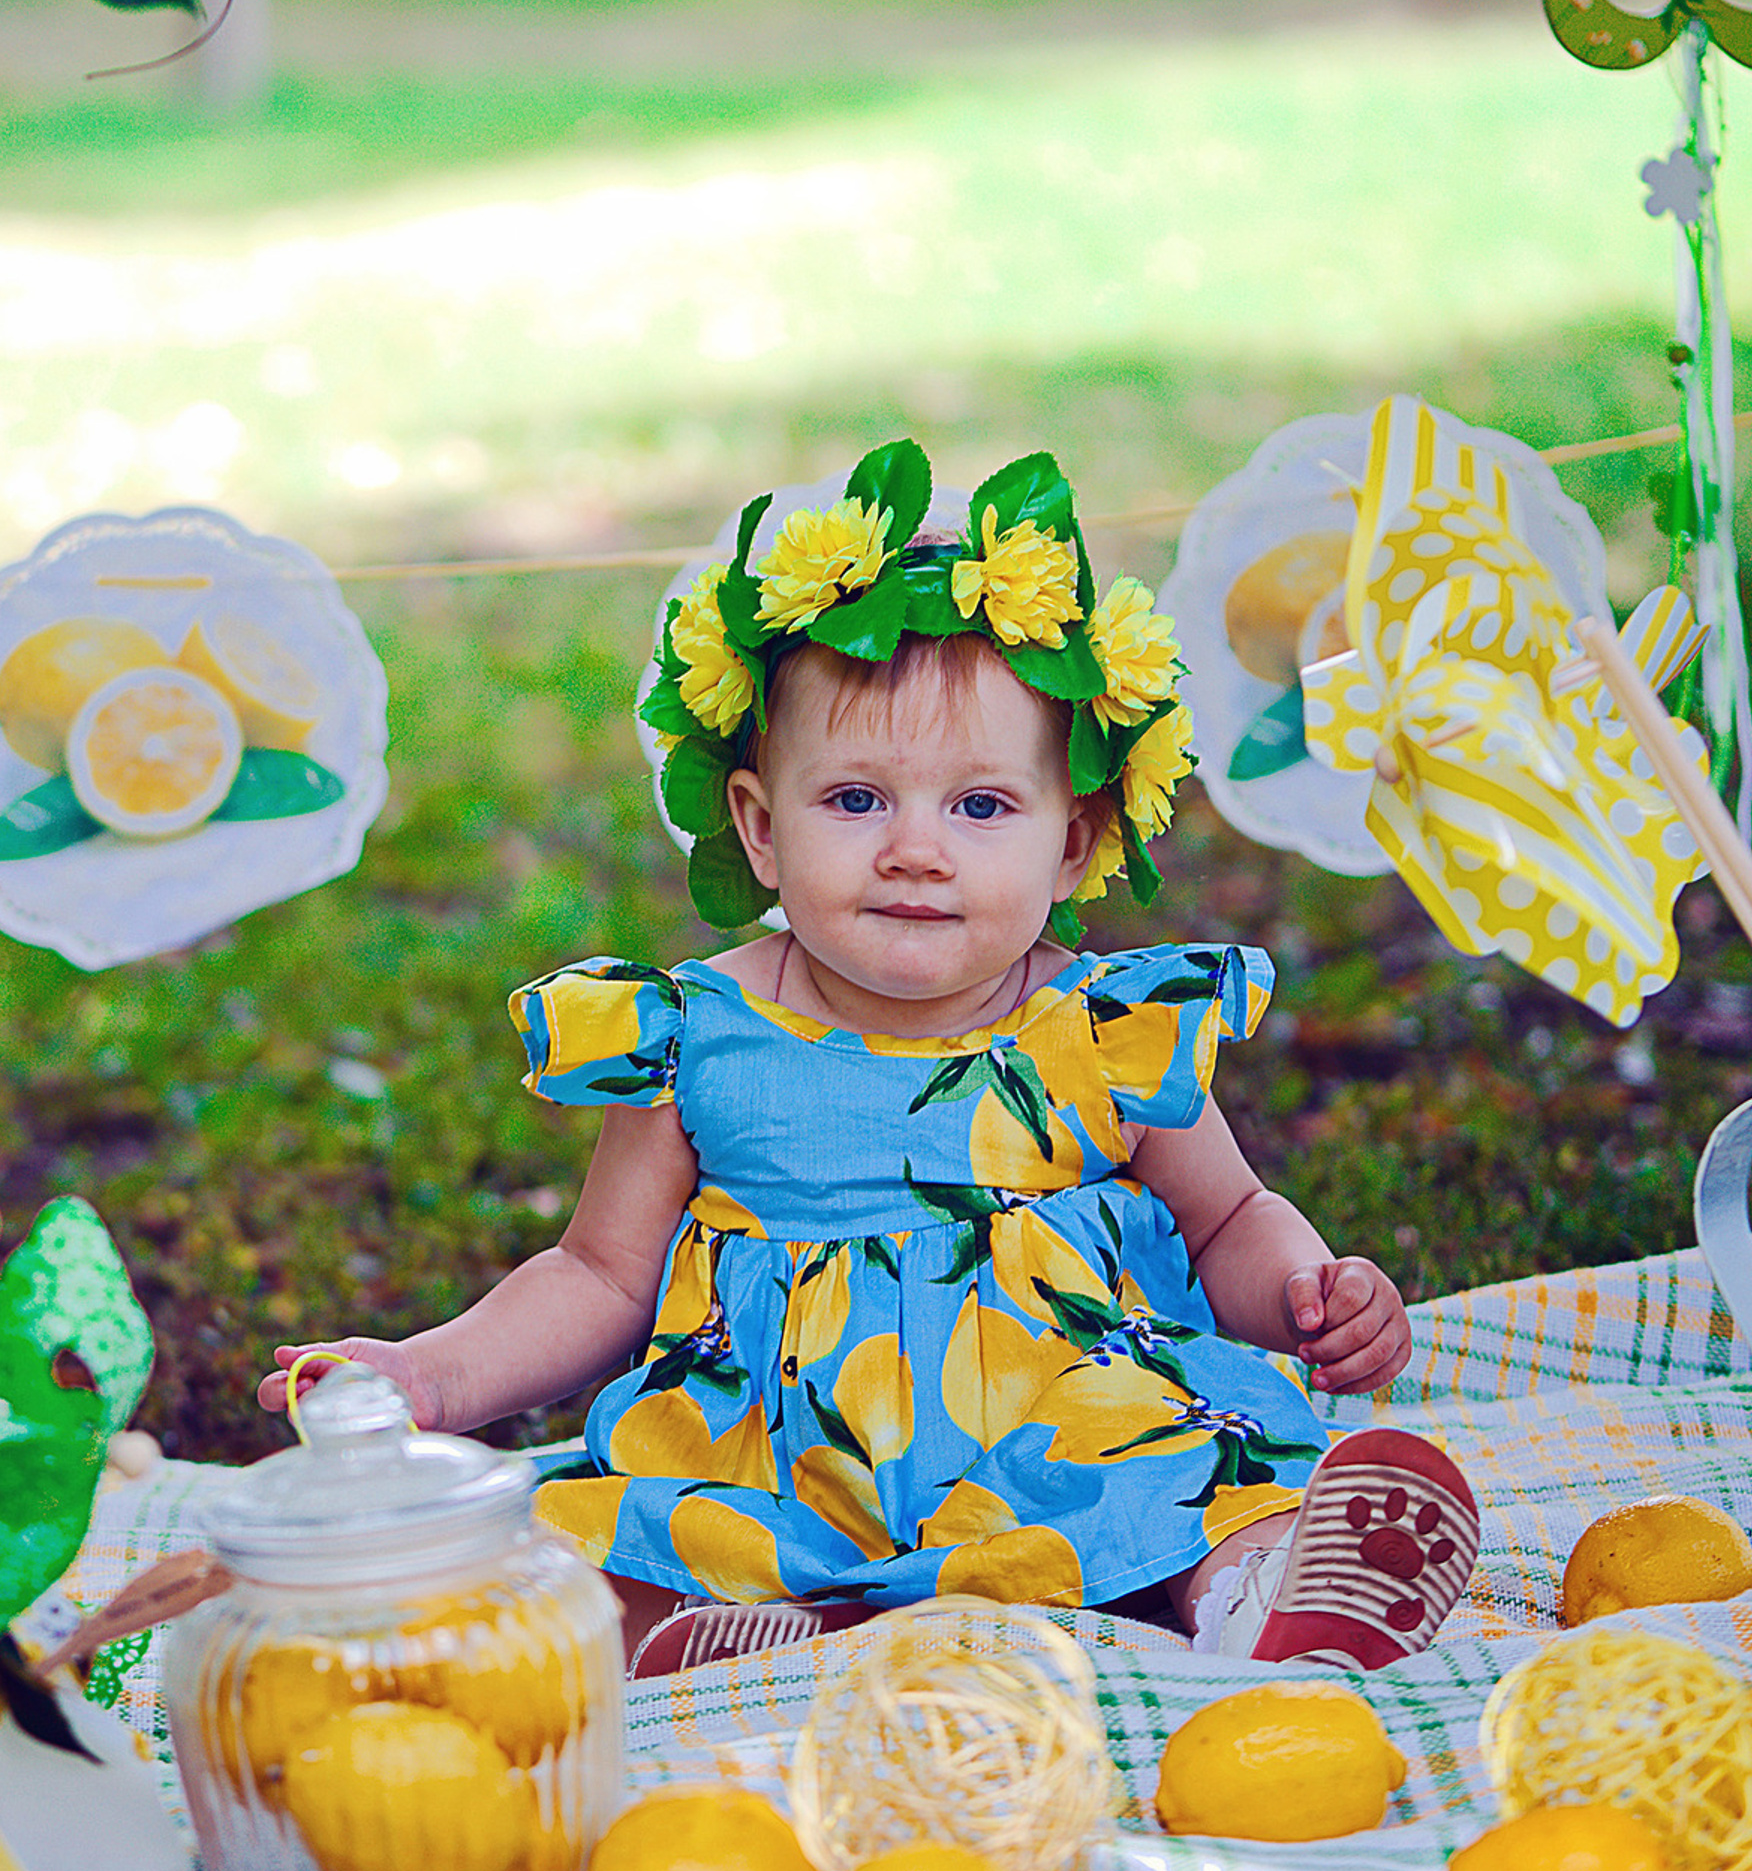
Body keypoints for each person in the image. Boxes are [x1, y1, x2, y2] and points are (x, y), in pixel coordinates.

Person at [263, 439, 1478, 1677]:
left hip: (1059, 1435)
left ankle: (1261, 1599)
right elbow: (595, 1272)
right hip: (782, 1458)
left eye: (981, 807)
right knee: (582, 1550)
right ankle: (754, 1631)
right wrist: (427, 1374)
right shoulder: (697, 1035)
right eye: (853, 800)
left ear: (1073, 844)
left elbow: (1227, 1223)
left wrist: (1309, 1296)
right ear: (759, 826)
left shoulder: (1108, 1025)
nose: (913, 850)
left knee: (1207, 1481)